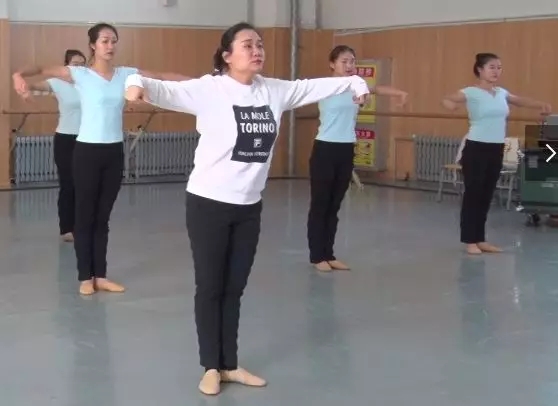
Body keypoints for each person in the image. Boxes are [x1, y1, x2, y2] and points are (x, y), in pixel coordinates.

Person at [123, 21, 370, 396]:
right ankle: (210, 365)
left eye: (260, 44)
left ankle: (230, 363)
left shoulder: (274, 91)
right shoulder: (209, 89)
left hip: (249, 207)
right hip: (208, 203)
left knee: (234, 288)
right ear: (227, 56)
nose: (257, 50)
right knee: (211, 286)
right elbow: (146, 82)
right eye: (247, 45)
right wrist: (133, 86)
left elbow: (318, 86)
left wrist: (356, 83)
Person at [12, 22, 189, 295]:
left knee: (102, 217)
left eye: (114, 40)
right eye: (105, 40)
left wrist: (204, 83)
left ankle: (101, 275)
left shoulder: (126, 74)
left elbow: (162, 76)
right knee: (85, 215)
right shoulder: (79, 74)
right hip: (87, 152)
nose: (110, 45)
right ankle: (85, 277)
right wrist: (18, 75)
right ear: (93, 45)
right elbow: (41, 68)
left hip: (113, 152)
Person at [307, 45, 409, 272]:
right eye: (344, 61)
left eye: (352, 61)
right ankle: (317, 256)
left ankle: (329, 253)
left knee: (334, 205)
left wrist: (400, 94)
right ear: (332, 64)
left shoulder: (356, 85)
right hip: (325, 149)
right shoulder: (323, 86)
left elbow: (378, 89)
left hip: (346, 149)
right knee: (320, 204)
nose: (349, 65)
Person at [442, 52, 551, 255]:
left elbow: (519, 100)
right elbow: (447, 98)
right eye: (492, 67)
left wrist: (540, 104)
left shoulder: (501, 92)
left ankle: (480, 239)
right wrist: (451, 105)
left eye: (499, 67)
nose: (496, 71)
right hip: (476, 147)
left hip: (496, 148)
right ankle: (470, 240)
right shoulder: (471, 92)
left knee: (486, 195)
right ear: (480, 70)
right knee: (473, 195)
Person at [27, 49, 86, 243]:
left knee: (85, 185)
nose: (79, 68)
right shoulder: (57, 83)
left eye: (82, 64)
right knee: (68, 184)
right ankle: (67, 228)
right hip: (65, 139)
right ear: (66, 66)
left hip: (88, 139)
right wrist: (23, 84)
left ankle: (82, 225)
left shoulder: (89, 84)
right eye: (75, 64)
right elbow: (35, 87)